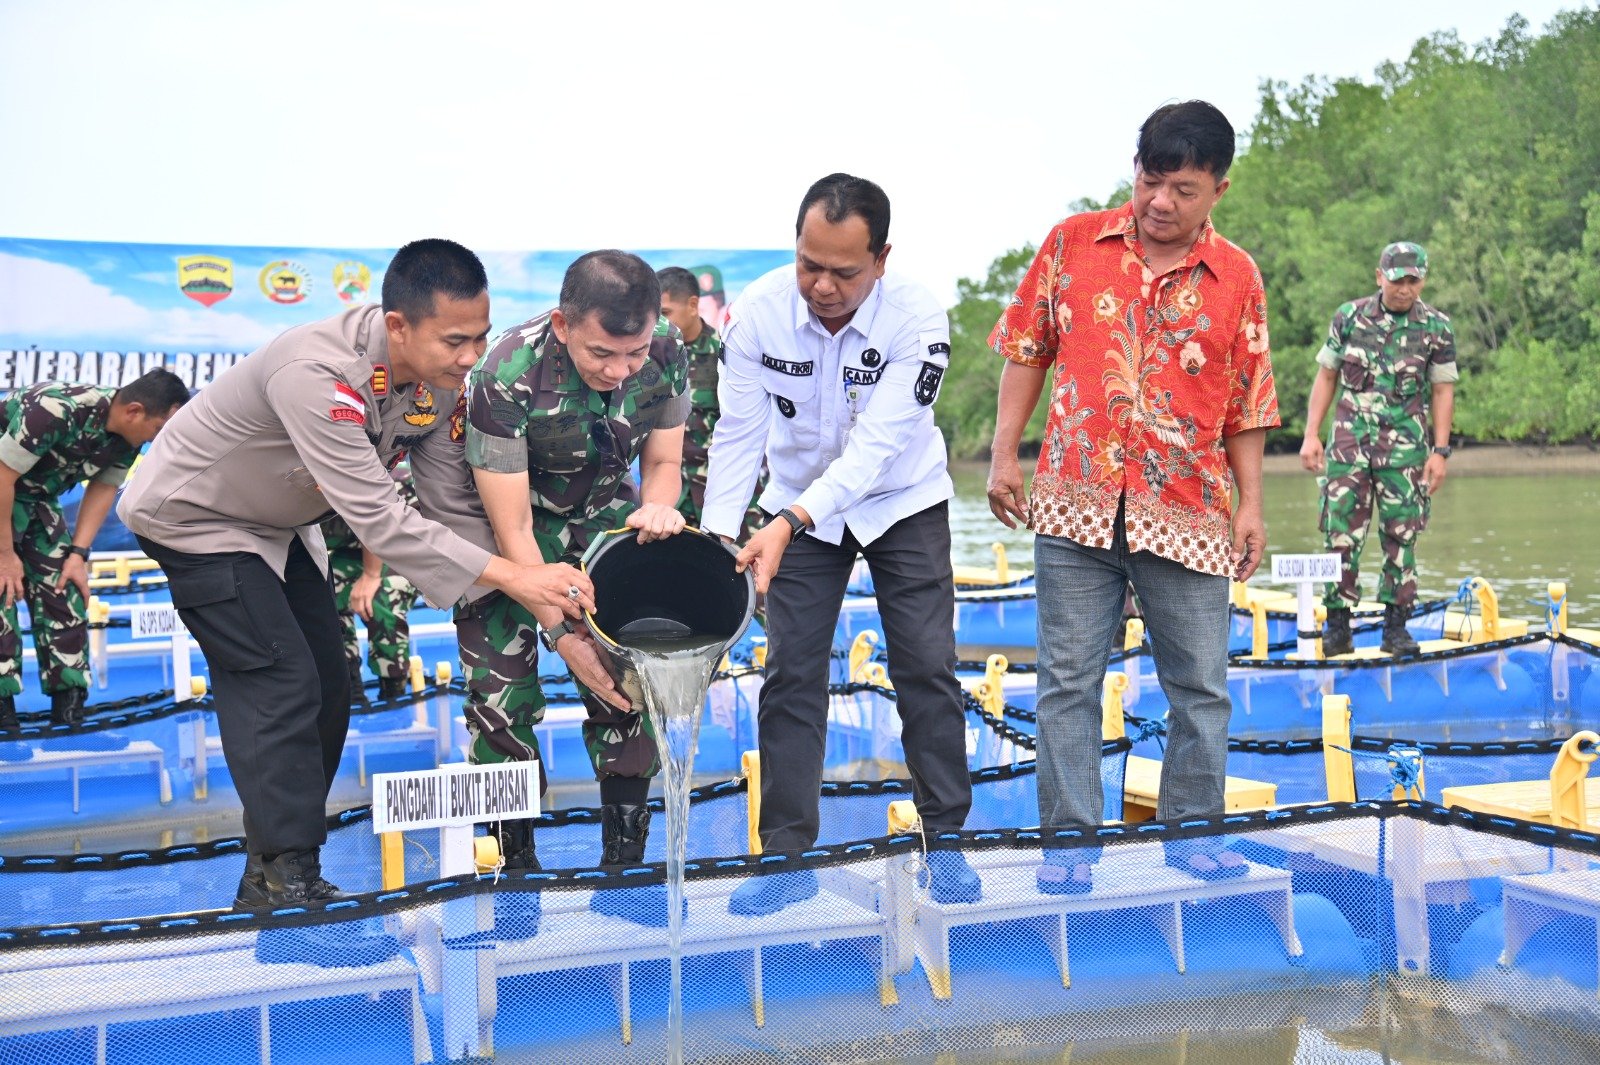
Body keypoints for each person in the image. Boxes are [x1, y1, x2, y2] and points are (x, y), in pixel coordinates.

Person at [117, 239, 594, 909]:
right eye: (456, 339)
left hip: (276, 525)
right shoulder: (317, 373)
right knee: (279, 677)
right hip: (196, 519)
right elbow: (380, 519)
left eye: (481, 337)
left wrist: (534, 589)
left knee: (331, 681)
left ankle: (265, 876)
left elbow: (446, 503)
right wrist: (519, 579)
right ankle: (289, 879)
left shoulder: (436, 383)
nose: (472, 356)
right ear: (398, 325)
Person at [987, 101, 1278, 889]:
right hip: (1076, 499)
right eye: (1150, 180)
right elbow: (1025, 349)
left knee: (1200, 686)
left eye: (1182, 188)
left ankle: (1193, 836)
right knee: (1067, 681)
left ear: (1219, 186)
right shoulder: (1072, 244)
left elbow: (1248, 403)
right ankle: (1070, 846)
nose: (1159, 202)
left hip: (1188, 506)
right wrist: (1005, 454)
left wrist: (1250, 507)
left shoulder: (1238, 276)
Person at [702, 173, 981, 915]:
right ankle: (787, 858)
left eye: (843, 271)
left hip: (901, 500)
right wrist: (712, 545)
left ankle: (946, 843)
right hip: (796, 511)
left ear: (882, 259)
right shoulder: (757, 315)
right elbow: (736, 437)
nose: (821, 285)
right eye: (808, 264)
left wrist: (787, 521)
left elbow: (877, 451)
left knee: (926, 664)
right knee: (792, 671)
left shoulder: (919, 320)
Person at [464, 250, 688, 926]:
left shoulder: (670, 351)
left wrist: (659, 507)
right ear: (563, 325)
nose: (621, 370)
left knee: (627, 680)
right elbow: (515, 528)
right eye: (603, 353)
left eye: (635, 352)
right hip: (510, 534)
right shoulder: (504, 374)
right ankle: (514, 876)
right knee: (501, 699)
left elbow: (667, 459)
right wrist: (565, 634)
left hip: (602, 519)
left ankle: (626, 873)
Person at [0, 370, 189, 729]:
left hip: (36, 499)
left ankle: (68, 701)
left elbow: (104, 486)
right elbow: (1, 477)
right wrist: (5, 556)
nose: (156, 442)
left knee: (65, 587)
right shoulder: (54, 409)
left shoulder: (127, 438)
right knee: (3, 588)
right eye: (158, 431)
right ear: (134, 411)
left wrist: (77, 555)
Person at [1300, 242, 1456, 656]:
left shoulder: (1437, 328)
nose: (1404, 289)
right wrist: (1311, 434)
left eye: (1413, 280)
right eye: (1397, 279)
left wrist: (1440, 451)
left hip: (1404, 452)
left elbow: (1442, 390)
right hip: (1349, 447)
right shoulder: (1348, 317)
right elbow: (1327, 377)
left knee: (1401, 536)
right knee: (1340, 536)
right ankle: (1337, 626)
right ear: (1378, 276)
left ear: (1422, 280)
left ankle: (1396, 628)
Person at [657, 265, 764, 537]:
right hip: (671, 495)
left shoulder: (728, 353)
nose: (658, 321)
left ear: (693, 305)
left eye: (665, 313)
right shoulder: (649, 359)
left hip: (724, 492)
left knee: (736, 568)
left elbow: (749, 427)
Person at [321, 466, 419, 703]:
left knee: (383, 600)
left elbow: (380, 521)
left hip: (400, 550)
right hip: (346, 552)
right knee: (322, 594)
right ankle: (349, 688)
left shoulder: (394, 476)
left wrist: (371, 575)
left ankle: (393, 692)